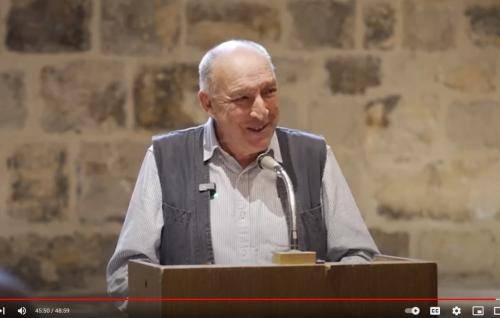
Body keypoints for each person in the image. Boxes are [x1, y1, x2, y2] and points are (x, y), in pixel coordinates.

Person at [107, 39, 379, 309]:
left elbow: (359, 256)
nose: (261, 110)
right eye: (243, 98)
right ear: (208, 104)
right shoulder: (166, 159)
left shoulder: (313, 156)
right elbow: (126, 275)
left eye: (269, 91)